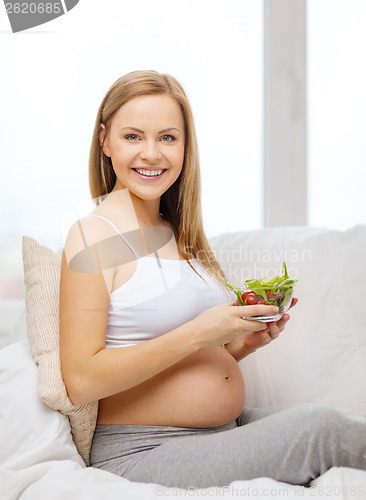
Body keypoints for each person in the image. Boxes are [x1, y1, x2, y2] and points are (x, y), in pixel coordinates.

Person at [59, 70, 366, 490]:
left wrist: (239, 345)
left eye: (168, 137)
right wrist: (200, 332)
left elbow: (184, 363)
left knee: (338, 419)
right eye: (133, 137)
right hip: (142, 450)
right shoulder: (92, 235)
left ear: (186, 146)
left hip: (214, 433)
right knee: (322, 429)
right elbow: (81, 380)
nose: (152, 153)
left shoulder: (178, 233)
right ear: (104, 140)